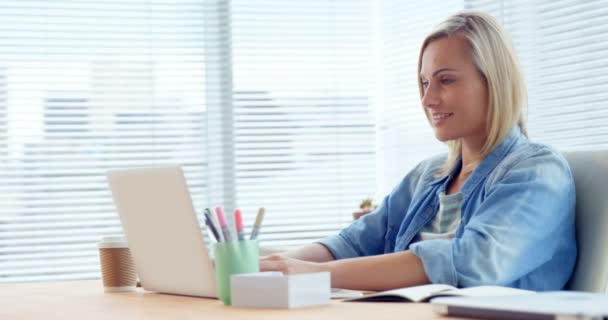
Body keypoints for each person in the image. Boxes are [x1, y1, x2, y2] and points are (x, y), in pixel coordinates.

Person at [260, 11, 577, 292]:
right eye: (425, 83)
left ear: (493, 81)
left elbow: (470, 262)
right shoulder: (427, 175)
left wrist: (318, 275)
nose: (428, 99)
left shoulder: (537, 171)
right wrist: (270, 265)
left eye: (446, 80)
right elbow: (352, 243)